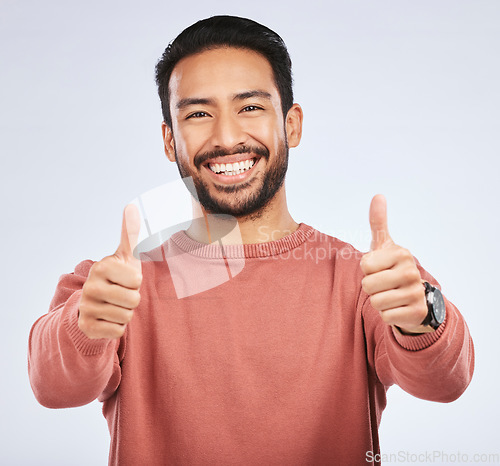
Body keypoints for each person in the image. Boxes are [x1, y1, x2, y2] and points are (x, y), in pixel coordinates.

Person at [28, 15, 474, 466]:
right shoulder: (116, 288)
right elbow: (51, 386)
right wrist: (84, 326)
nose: (226, 137)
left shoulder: (367, 280)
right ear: (169, 141)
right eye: (198, 114)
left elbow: (446, 382)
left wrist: (422, 318)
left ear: (292, 125)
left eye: (251, 107)